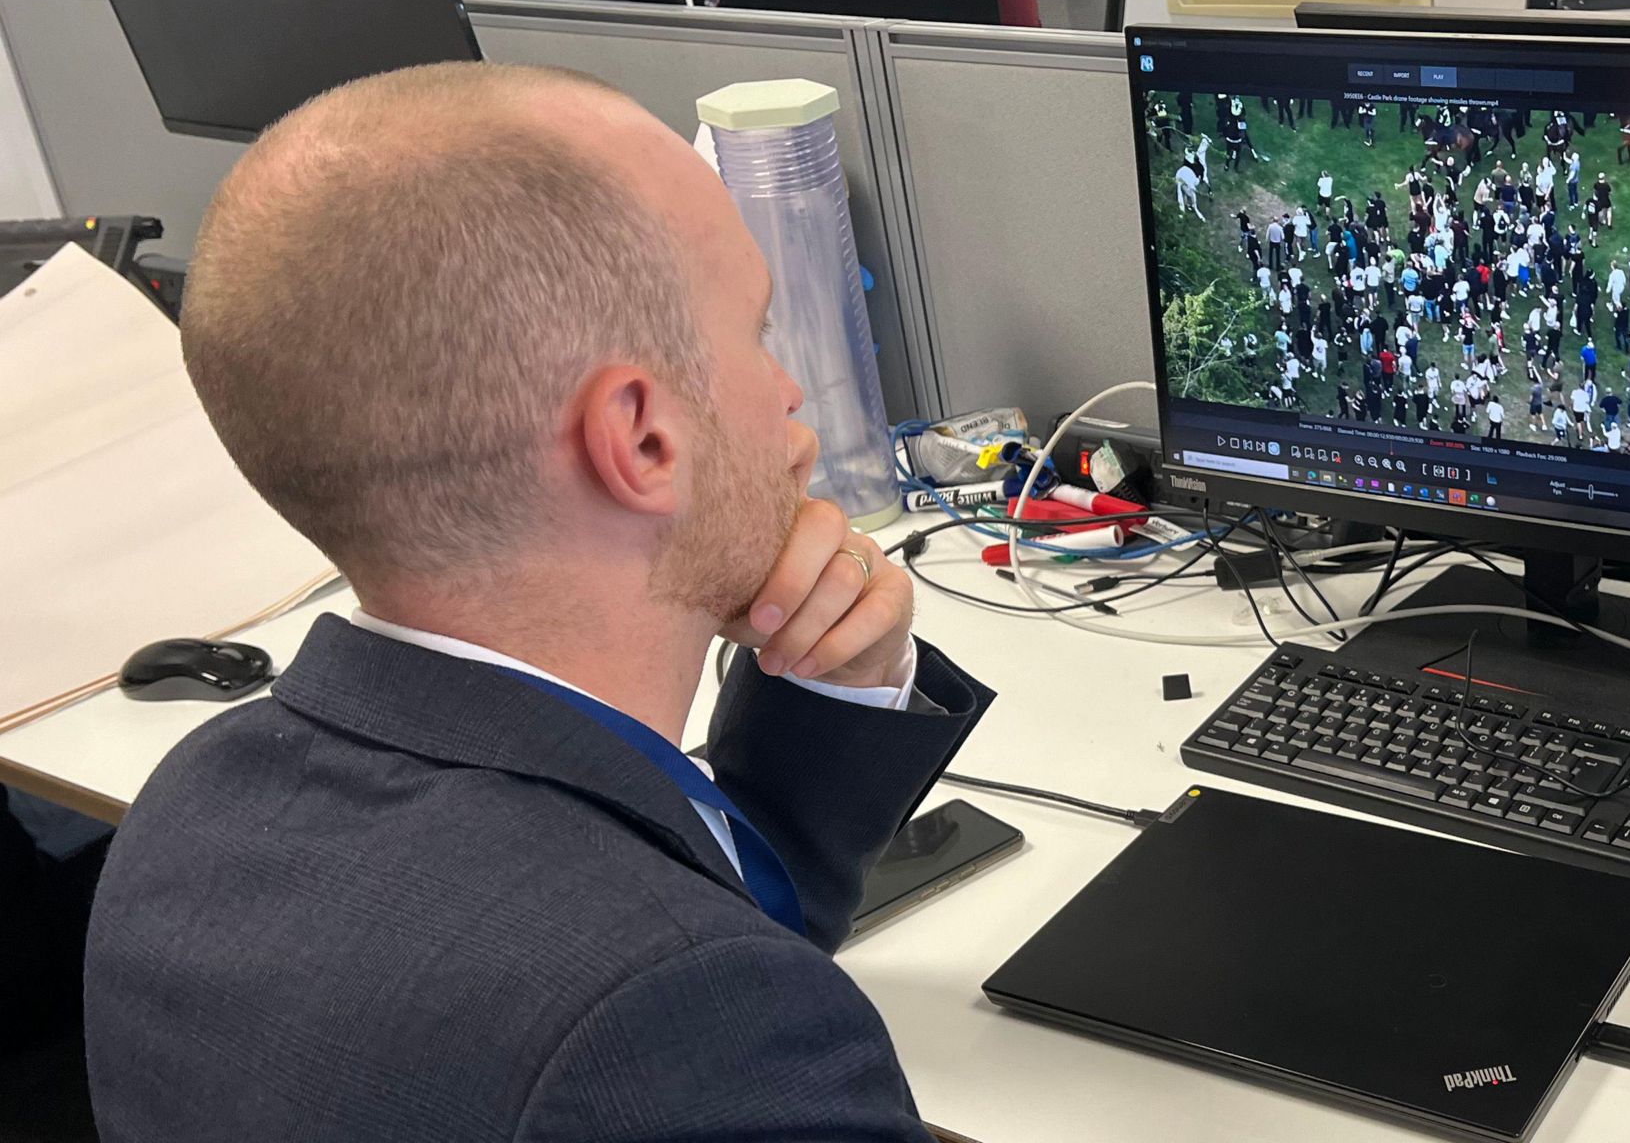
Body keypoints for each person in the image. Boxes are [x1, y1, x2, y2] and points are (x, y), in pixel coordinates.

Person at [83, 64, 994, 1142]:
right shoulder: (680, 1019)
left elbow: (656, 907)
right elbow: (667, 990)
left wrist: (845, 691)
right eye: (754, 333)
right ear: (642, 441)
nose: (788, 390)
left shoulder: (198, 803)